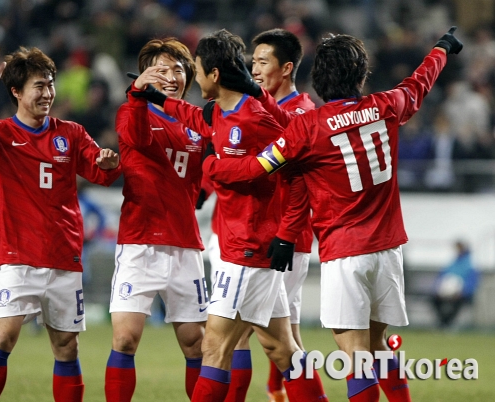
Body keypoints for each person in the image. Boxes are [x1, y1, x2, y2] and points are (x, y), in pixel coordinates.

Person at [202, 27, 463, 402]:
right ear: (360, 75)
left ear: (318, 77)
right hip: (389, 250)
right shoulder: (387, 105)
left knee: (356, 359)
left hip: (345, 252)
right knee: (379, 349)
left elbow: (261, 166)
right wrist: (440, 48)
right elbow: (419, 82)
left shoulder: (309, 127)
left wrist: (211, 166)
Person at [136, 28, 327, 402]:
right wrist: (157, 98)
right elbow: (194, 116)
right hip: (246, 246)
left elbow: (295, 169)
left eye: (197, 69)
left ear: (214, 74)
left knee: (215, 348)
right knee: (283, 350)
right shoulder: (223, 111)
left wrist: (213, 168)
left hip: (250, 249)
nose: (194, 78)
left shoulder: (256, 119)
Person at [0, 45, 122, 402]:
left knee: (66, 347)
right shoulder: (0, 135)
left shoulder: (72, 133)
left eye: (50, 84)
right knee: (2, 338)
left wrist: (108, 165)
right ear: (16, 91)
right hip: (19, 259)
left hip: (64, 257)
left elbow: (100, 172)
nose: (47, 93)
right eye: (39, 86)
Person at [205, 28, 319, 402]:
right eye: (250, 62)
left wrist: (214, 170)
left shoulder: (296, 112)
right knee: (275, 344)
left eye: (262, 62)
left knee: (229, 341)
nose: (253, 70)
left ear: (286, 68)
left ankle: (275, 392)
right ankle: (279, 392)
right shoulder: (251, 106)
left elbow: (279, 166)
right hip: (246, 232)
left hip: (278, 238)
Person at [106, 38, 208, 401]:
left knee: (196, 344)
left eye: (177, 71)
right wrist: (136, 95)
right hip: (140, 241)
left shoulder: (197, 124)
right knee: (125, 338)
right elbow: (134, 137)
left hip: (185, 244)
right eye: (160, 70)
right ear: (145, 76)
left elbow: (211, 169)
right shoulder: (132, 112)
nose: (170, 77)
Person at [431, 240, 479, 328]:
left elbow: (472, 284)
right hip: (446, 293)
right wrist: (437, 290)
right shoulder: (451, 264)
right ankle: (443, 322)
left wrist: (462, 292)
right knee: (433, 299)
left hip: (462, 295)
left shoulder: (470, 266)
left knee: (458, 303)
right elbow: (441, 277)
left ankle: (447, 324)